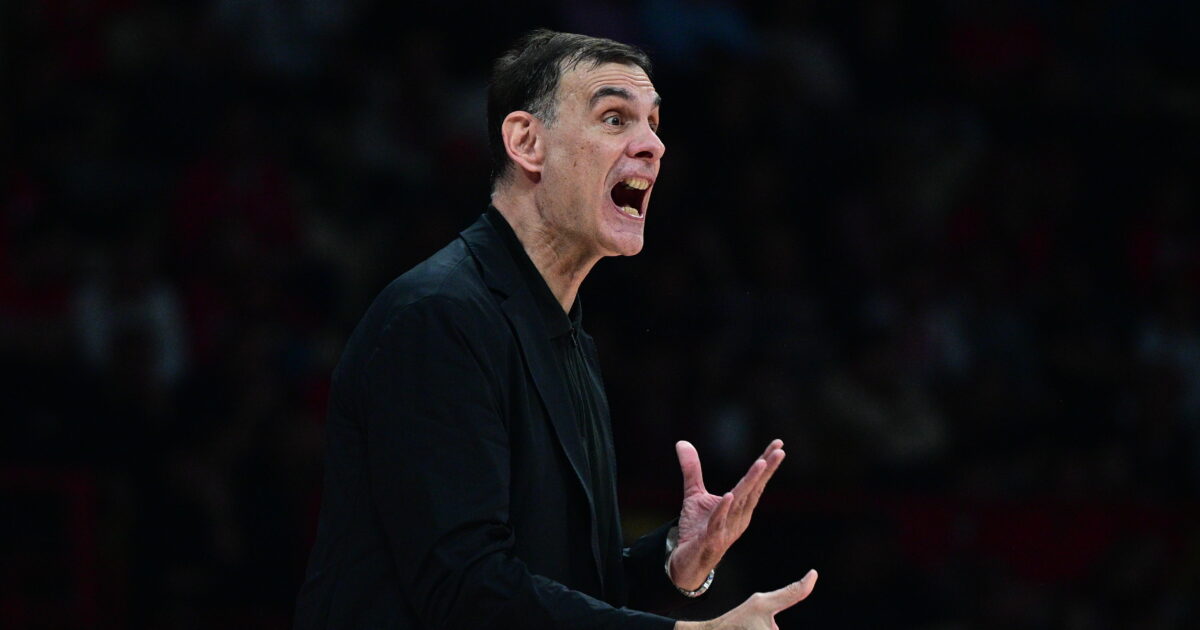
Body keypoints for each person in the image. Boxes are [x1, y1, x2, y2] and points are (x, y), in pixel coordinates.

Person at [294, 29, 817, 629]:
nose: (653, 145)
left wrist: (672, 562)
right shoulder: (436, 316)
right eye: (615, 118)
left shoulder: (562, 333)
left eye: (653, 123)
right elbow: (463, 588)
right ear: (527, 142)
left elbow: (563, 589)